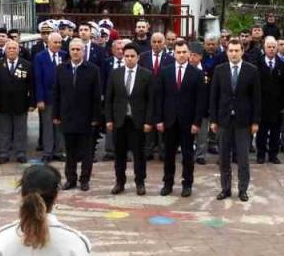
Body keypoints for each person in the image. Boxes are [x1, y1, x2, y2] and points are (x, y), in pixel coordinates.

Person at [210, 41, 260, 201]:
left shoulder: (251, 71)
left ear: (242, 51)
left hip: (243, 121)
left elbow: (256, 99)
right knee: (224, 157)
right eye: (230, 50)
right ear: (226, 52)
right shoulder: (219, 70)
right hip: (224, 120)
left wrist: (255, 122)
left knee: (243, 158)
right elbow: (214, 97)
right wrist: (213, 120)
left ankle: (243, 189)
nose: (233, 53)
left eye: (236, 50)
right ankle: (225, 189)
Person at [155, 40, 206, 197]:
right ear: (174, 54)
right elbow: (159, 98)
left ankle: (187, 184)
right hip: (169, 121)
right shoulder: (165, 72)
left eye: (184, 52)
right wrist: (159, 119)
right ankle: (168, 183)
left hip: (188, 122)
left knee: (187, 155)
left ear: (188, 53)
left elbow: (200, 101)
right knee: (169, 155)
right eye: (179, 52)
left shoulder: (197, 73)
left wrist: (197, 122)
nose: (182, 55)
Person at [52, 39, 102, 191]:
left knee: (87, 152)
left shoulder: (93, 70)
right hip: (67, 117)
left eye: (78, 49)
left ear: (83, 51)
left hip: (86, 118)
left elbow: (96, 95)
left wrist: (95, 117)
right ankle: (70, 179)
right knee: (70, 151)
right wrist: (56, 114)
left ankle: (84, 180)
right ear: (69, 51)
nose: (75, 52)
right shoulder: (61, 69)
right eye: (73, 49)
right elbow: (56, 93)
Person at [104, 43, 152, 195]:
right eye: (126, 56)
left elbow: (151, 100)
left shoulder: (146, 75)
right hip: (120, 121)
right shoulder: (115, 74)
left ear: (138, 57)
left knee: (139, 155)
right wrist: (109, 119)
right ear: (122, 57)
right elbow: (109, 99)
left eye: (132, 56)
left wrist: (148, 121)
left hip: (138, 122)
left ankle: (140, 182)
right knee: (119, 154)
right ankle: (120, 182)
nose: (129, 59)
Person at [253, 36, 284, 164]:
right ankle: (261, 155)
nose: (272, 49)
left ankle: (273, 155)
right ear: (264, 48)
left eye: (274, 47)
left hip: (277, 105)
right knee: (261, 132)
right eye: (269, 47)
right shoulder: (256, 64)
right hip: (262, 104)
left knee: (275, 132)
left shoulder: (283, 65)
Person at [34, 33, 66, 162]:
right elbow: (38, 79)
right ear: (48, 42)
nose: (58, 45)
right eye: (55, 42)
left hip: (62, 98)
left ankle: (59, 151)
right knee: (47, 126)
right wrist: (40, 99)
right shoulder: (40, 57)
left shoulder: (64, 55)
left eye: (59, 42)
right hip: (47, 98)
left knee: (60, 125)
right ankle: (48, 152)